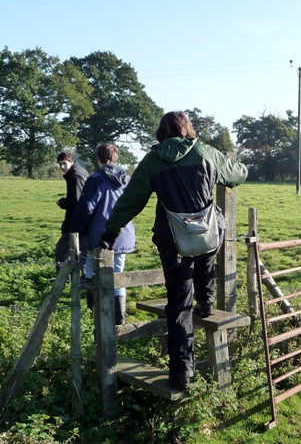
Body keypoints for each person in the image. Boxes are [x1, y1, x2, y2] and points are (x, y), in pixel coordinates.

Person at [100, 111, 247, 390]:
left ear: (162, 133)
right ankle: (205, 303)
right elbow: (238, 174)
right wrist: (229, 168)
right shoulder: (206, 152)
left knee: (178, 304)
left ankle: (181, 372)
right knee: (206, 262)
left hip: (171, 237)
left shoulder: (152, 160)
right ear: (188, 129)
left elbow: (132, 200)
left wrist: (111, 230)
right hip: (205, 233)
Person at [70, 144, 136, 325]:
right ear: (115, 158)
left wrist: (76, 226)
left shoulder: (96, 179)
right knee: (117, 273)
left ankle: (96, 313)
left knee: (91, 267)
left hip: (100, 233)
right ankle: (119, 319)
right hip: (122, 232)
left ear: (98, 158)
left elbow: (87, 207)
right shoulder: (127, 179)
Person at [55, 151, 89, 274]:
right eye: (59, 164)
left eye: (64, 163)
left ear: (71, 161)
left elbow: (76, 201)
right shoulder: (80, 171)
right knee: (82, 252)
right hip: (83, 220)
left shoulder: (75, 176)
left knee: (61, 251)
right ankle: (86, 280)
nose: (62, 167)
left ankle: (62, 280)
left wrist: (62, 202)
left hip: (76, 221)